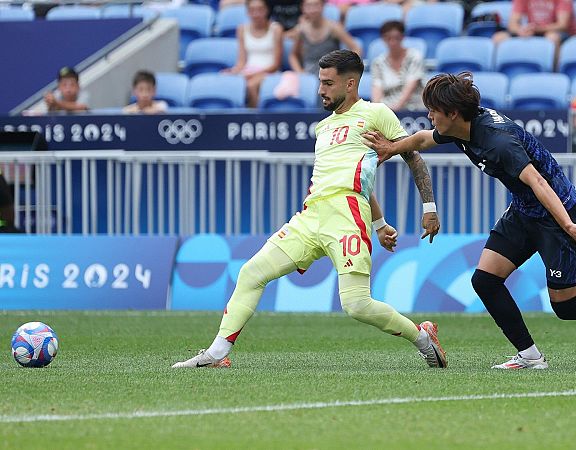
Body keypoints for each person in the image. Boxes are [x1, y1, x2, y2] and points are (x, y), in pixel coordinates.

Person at [363, 72, 576, 370]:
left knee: (566, 306)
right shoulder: (458, 126)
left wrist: (568, 227)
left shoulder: (499, 143)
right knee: (484, 279)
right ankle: (530, 356)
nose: (430, 116)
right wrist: (391, 148)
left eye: (433, 111)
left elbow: (539, 182)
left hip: (557, 214)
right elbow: (421, 139)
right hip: (525, 211)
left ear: (454, 112)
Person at [172, 50, 446, 369]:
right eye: (320, 82)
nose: (321, 90)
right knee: (251, 272)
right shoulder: (323, 128)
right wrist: (381, 223)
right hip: (310, 215)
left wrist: (429, 207)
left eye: (328, 83)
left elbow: (412, 156)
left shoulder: (377, 113)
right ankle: (217, 354)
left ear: (351, 83)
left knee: (356, 305)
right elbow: (354, 174)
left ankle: (423, 336)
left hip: (347, 215)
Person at [224, 0, 284, 108]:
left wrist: (254, 74)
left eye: (260, 10)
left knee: (251, 85)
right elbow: (241, 61)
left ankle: (255, 119)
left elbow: (276, 65)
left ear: (267, 10)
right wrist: (233, 71)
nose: (256, 14)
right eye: (252, 10)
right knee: (226, 81)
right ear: (247, 12)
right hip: (248, 72)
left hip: (269, 72)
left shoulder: (276, 29)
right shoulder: (241, 29)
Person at [289, 0, 361, 74]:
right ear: (302, 8)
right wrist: (300, 72)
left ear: (323, 6)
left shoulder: (334, 28)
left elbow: (356, 48)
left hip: (331, 74)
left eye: (316, 5)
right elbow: (293, 55)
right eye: (308, 6)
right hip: (309, 74)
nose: (312, 10)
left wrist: (346, 68)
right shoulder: (301, 30)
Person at [495, 0, 576, 66]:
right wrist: (521, 30)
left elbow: (562, 25)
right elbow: (512, 24)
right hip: (532, 30)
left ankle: (553, 72)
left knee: (553, 37)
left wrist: (537, 29)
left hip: (553, 32)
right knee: (499, 37)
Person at [370, 21, 426, 112]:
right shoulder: (378, 63)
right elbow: (377, 89)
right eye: (388, 38)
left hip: (415, 109)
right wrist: (376, 111)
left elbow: (411, 84)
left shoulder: (414, 56)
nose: (392, 42)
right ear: (383, 39)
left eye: (396, 38)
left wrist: (397, 109)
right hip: (387, 110)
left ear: (402, 37)